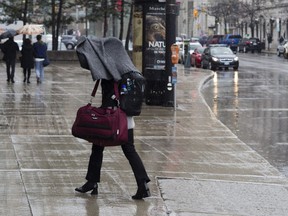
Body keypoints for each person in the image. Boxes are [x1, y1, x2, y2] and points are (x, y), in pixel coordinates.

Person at [75, 79, 151, 200]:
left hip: (111, 119)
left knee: (99, 148)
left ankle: (92, 182)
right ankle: (142, 184)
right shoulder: (125, 72)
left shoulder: (109, 71)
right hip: (125, 118)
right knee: (126, 150)